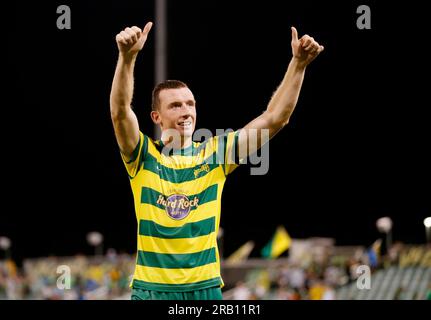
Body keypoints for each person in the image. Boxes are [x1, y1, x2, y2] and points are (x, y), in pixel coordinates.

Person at [110, 21, 324, 300]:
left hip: (205, 290)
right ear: (156, 117)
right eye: (175, 105)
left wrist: (298, 64)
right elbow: (120, 112)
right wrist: (127, 58)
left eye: (191, 104)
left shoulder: (215, 153)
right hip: (152, 291)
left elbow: (275, 119)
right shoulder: (143, 155)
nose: (186, 111)